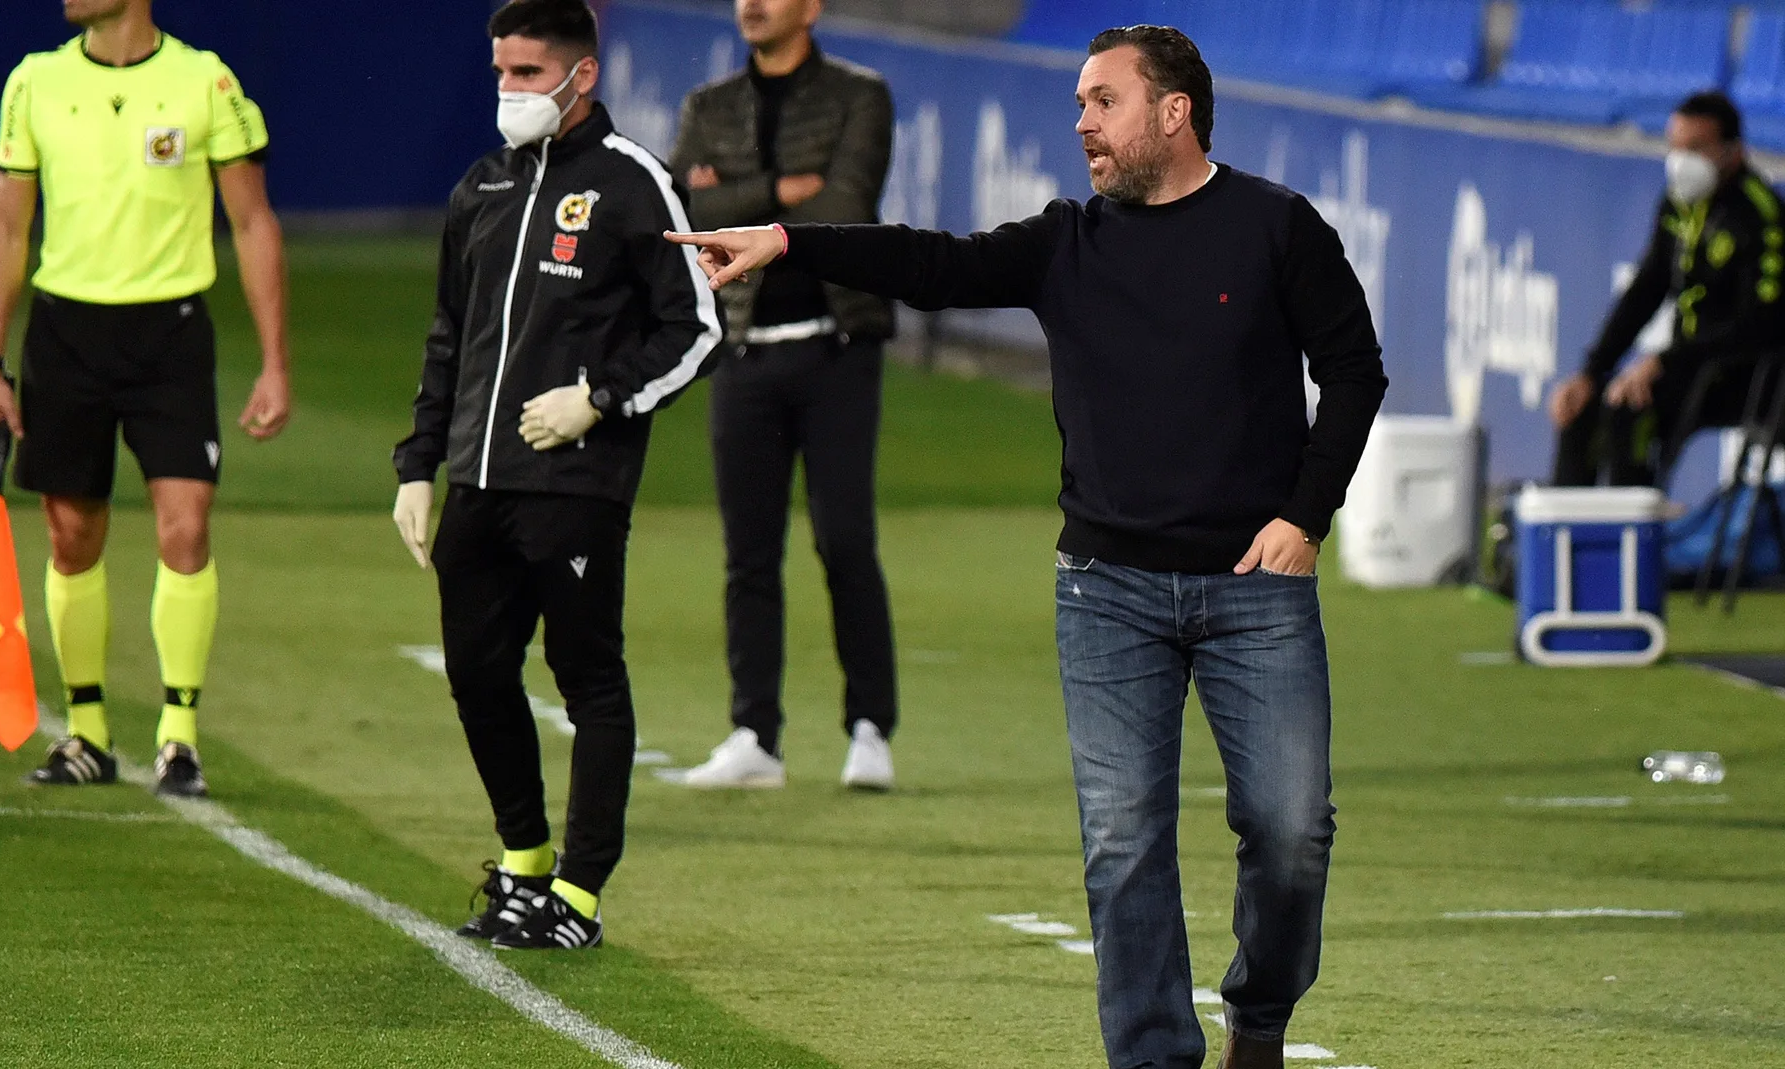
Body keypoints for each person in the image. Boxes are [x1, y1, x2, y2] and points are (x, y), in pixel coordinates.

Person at [669, 25, 1386, 1069]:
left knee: (1290, 836)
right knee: (1122, 844)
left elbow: (1354, 371)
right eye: (1080, 104)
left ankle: (1260, 1021)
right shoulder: (1066, 241)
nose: (1082, 123)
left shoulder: (1275, 227)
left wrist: (1303, 517)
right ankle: (1151, 1057)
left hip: (1254, 587)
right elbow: (930, 261)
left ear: (1173, 112)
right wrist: (787, 240)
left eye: (1103, 101)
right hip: (1106, 590)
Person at [391, 0, 722, 951]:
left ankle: (579, 894)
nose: (510, 91)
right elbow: (449, 338)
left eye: (529, 74)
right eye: (501, 72)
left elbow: (696, 326)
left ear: (582, 75)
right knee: (477, 672)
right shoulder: (481, 187)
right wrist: (419, 465)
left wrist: (602, 400)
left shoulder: (632, 183)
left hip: (576, 488)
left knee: (587, 681)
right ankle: (524, 863)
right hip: (477, 484)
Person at [0, 0, 291, 797]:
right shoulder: (35, 82)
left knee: (185, 527)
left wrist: (274, 360)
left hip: (170, 339)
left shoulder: (204, 81)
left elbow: (252, 222)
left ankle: (179, 735)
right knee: (71, 533)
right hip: (65, 334)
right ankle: (86, 732)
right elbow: (7, 228)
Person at [664, 0, 900, 791]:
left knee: (844, 540)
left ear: (813, 7)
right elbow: (687, 214)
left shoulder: (860, 96)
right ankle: (753, 734)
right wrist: (779, 187)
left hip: (836, 350)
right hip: (743, 353)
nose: (751, 5)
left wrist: (740, 196)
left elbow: (847, 204)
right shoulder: (710, 105)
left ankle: (870, 728)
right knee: (749, 555)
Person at [1548, 91, 1785, 487]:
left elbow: (1761, 324)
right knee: (1584, 407)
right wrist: (1591, 371)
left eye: (1695, 148)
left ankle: (1632, 533)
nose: (1681, 161)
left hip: (1746, 376)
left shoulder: (1760, 216)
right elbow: (1646, 289)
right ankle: (1567, 531)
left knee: (1632, 407)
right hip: (1686, 366)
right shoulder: (1678, 204)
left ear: (1733, 152)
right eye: (1674, 147)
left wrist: (1667, 361)